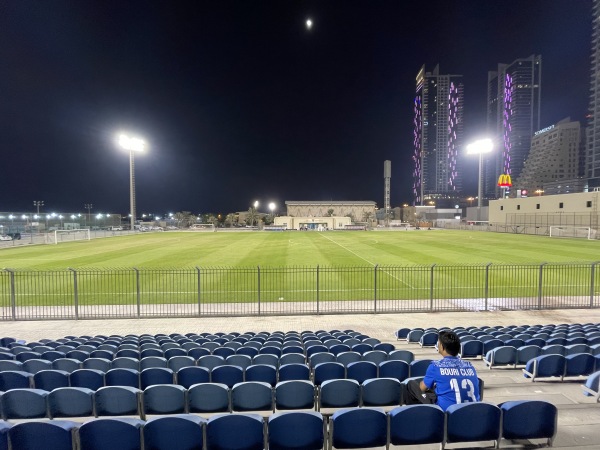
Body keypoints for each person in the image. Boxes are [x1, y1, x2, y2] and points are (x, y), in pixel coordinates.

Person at [406, 330, 480, 411]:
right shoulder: (470, 366)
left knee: (411, 385)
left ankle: (416, 415)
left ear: (442, 347)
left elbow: (422, 388)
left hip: (446, 412)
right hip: (472, 409)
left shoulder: (436, 366)